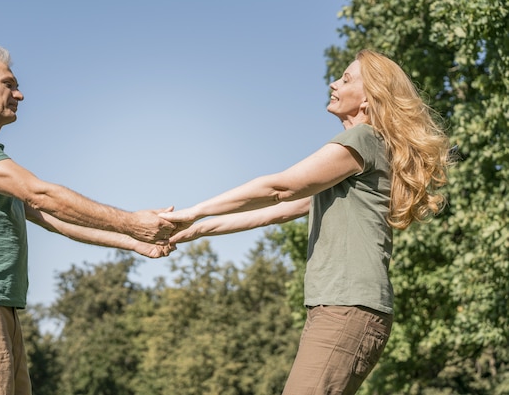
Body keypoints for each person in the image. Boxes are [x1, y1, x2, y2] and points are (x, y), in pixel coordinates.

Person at [161, 50, 452, 394]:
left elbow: (280, 188)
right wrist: (194, 230)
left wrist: (193, 211)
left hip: (346, 308)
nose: (333, 82)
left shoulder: (363, 139)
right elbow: (278, 211)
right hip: (341, 309)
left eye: (346, 79)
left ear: (370, 100)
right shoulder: (362, 157)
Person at [0, 45, 175, 395]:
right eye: (9, 84)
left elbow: (53, 218)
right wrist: (132, 222)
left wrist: (133, 241)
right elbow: (42, 195)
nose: (20, 94)